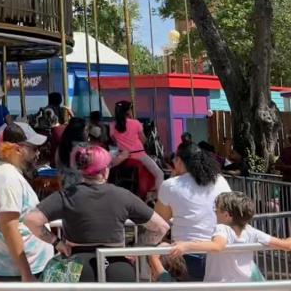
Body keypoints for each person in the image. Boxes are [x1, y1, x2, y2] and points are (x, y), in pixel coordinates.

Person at [24, 145, 170, 283]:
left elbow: (31, 220)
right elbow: (161, 227)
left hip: (77, 267)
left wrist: (57, 243)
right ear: (105, 170)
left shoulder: (67, 195)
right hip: (119, 267)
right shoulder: (123, 195)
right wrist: (135, 249)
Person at [0, 121, 54, 282]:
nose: (37, 154)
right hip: (15, 273)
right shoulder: (7, 178)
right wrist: (26, 273)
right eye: (34, 148)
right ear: (17, 149)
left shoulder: (10, 174)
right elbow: (9, 227)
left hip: (21, 270)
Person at [169, 191, 291, 282]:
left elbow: (218, 246)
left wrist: (186, 245)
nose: (215, 213)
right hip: (244, 286)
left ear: (227, 215)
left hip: (219, 286)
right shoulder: (252, 231)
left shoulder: (222, 228)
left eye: (216, 210)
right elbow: (285, 245)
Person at [155, 143, 232, 281]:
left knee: (155, 255)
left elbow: (159, 220)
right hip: (220, 251)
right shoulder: (220, 180)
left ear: (178, 160)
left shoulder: (171, 185)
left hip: (186, 255)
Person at [111, 100, 164, 193]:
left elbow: (114, 140)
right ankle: (160, 198)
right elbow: (143, 140)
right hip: (139, 155)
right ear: (128, 111)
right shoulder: (135, 123)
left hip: (122, 155)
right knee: (160, 174)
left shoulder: (112, 125)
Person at [56, 117, 88, 190]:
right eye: (86, 130)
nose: (87, 132)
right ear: (80, 132)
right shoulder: (84, 149)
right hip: (82, 186)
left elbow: (58, 167)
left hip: (65, 185)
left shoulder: (61, 147)